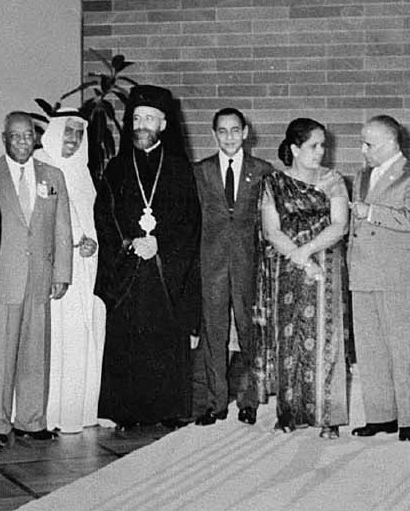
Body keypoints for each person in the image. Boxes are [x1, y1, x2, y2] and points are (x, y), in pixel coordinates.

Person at [95, 84, 202, 432]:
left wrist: (159, 245)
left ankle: (167, 409)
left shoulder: (180, 170)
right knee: (127, 339)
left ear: (164, 125)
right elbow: (105, 217)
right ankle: (126, 411)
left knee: (163, 338)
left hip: (165, 273)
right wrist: (130, 243)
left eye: (150, 119)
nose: (142, 125)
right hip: (128, 272)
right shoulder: (116, 167)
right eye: (137, 118)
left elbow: (190, 225)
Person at [255, 118, 350, 436]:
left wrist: (306, 253)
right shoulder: (274, 183)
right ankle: (289, 413)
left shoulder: (334, 180)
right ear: (295, 149)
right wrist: (298, 258)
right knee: (290, 336)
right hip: (288, 266)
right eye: (314, 146)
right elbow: (271, 230)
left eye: (324, 145)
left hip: (325, 263)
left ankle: (329, 418)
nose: (321, 151)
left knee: (326, 336)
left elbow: (339, 225)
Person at [0, 111, 71, 448]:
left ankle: (32, 420)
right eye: (15, 136)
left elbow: (62, 227)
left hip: (40, 278)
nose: (22, 141)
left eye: (28, 135)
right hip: (3, 278)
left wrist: (62, 272)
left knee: (36, 352)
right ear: (5, 138)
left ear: (36, 138)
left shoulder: (52, 175)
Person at [348, 115, 410, 441]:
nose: (363, 150)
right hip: (364, 273)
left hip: (396, 277)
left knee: (401, 349)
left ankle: (407, 420)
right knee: (370, 351)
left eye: (368, 144)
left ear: (388, 143)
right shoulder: (361, 176)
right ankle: (380, 416)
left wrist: (370, 212)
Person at [192, 107, 265, 426]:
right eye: (222, 131)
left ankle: (249, 400)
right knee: (214, 333)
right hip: (212, 265)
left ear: (246, 132)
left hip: (249, 264)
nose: (229, 137)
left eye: (235, 130)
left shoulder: (263, 170)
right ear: (214, 135)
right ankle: (215, 402)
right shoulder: (202, 171)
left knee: (250, 332)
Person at [36, 113, 106, 434]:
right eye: (68, 132)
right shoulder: (40, 165)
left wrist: (91, 241)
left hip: (86, 267)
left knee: (81, 336)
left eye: (79, 134)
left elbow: (93, 217)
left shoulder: (82, 171)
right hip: (55, 268)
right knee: (55, 340)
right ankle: (49, 414)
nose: (73, 140)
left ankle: (78, 412)